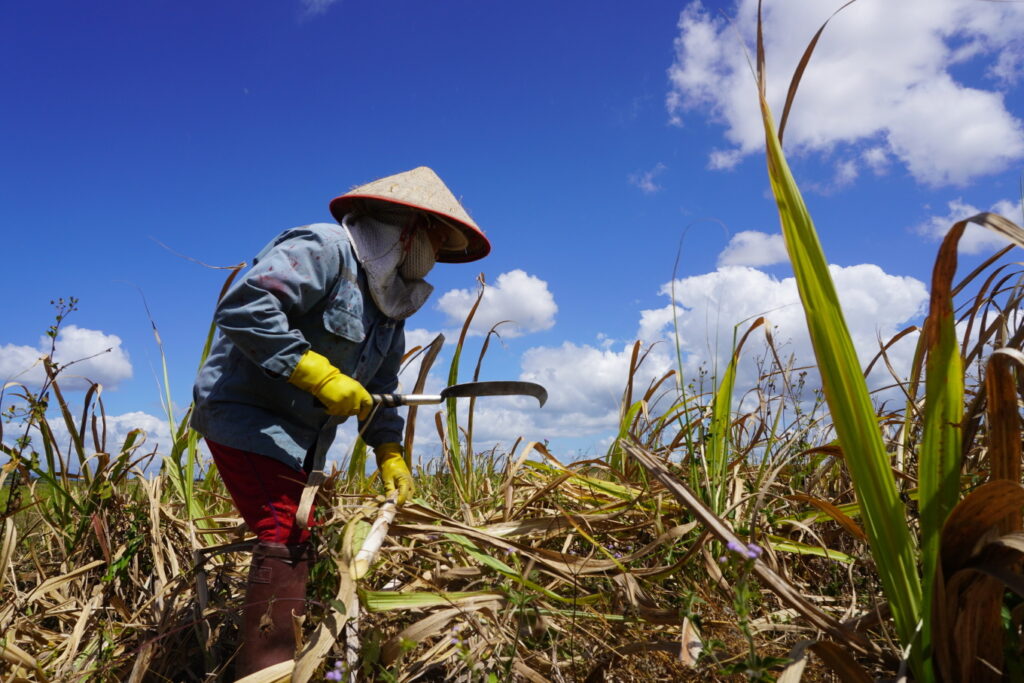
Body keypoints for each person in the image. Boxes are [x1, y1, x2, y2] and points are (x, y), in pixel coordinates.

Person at [190, 166, 490, 678]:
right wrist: (314, 372)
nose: (437, 256)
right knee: (284, 537)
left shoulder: (389, 302)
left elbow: (383, 388)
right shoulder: (324, 248)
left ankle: (311, 651)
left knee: (313, 533)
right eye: (437, 241)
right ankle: (266, 672)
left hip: (303, 443)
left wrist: (388, 451)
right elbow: (246, 307)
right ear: (410, 228)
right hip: (247, 416)